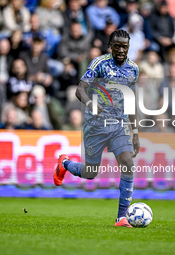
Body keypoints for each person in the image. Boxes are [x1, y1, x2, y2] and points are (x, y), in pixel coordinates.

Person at [53, 29, 139, 228]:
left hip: (118, 124)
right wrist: (91, 103)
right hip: (95, 125)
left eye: (124, 46)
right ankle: (64, 163)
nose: (120, 49)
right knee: (91, 173)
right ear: (110, 45)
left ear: (128, 47)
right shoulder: (99, 64)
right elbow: (79, 90)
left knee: (128, 163)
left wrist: (135, 132)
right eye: (116, 45)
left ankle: (121, 217)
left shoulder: (133, 69)